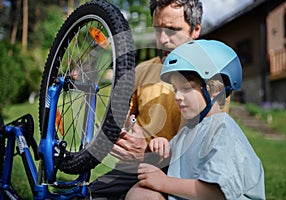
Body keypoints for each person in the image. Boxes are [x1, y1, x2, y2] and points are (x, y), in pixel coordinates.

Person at [88, 0, 203, 199]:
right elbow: (126, 119)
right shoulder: (141, 71)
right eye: (158, 30)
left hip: (176, 173)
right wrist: (133, 127)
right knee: (83, 195)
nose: (163, 39)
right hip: (128, 169)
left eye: (173, 30)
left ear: (195, 30)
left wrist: (148, 152)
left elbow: (200, 145)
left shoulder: (209, 76)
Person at [125, 40, 266, 200]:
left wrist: (163, 182)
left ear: (215, 89)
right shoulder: (188, 132)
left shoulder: (222, 130)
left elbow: (214, 193)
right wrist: (158, 149)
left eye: (186, 88)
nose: (177, 96)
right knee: (141, 191)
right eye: (175, 89)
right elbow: (166, 161)